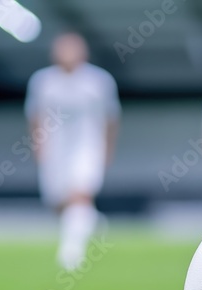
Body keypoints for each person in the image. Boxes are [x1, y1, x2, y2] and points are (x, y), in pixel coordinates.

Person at [25, 33, 121, 270]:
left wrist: (107, 148)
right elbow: (35, 116)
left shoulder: (99, 81)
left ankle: (71, 251)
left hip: (88, 147)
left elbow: (111, 119)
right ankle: (93, 221)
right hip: (55, 149)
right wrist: (38, 145)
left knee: (80, 194)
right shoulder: (42, 81)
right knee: (59, 202)